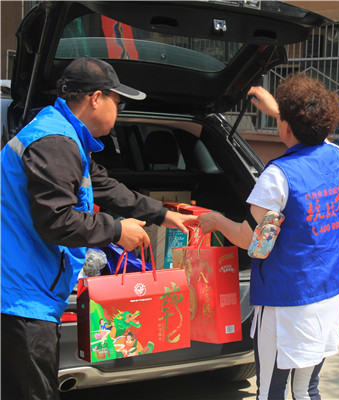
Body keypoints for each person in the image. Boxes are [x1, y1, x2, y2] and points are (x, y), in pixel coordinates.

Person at [0, 56, 197, 400]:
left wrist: (163, 215)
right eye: (117, 102)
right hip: (23, 297)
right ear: (95, 98)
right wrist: (118, 231)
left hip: (33, 290)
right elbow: (56, 220)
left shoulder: (65, 135)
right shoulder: (54, 142)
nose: (118, 111)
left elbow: (104, 186)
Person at [198, 73, 339, 400]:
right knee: (306, 388)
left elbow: (251, 240)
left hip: (286, 300)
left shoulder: (278, 177)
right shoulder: (337, 156)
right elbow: (313, 133)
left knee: (270, 391)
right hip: (328, 292)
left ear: (288, 126)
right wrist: (282, 113)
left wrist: (217, 221)